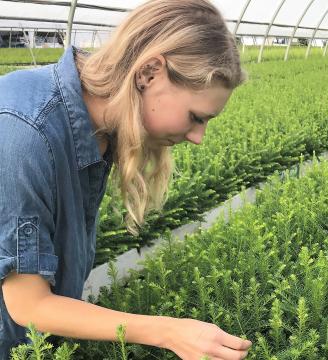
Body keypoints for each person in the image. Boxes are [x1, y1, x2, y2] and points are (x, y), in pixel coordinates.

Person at [0, 0, 251, 359]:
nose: (198, 137)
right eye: (196, 117)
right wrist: (169, 331)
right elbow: (29, 305)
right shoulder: (25, 132)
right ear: (149, 72)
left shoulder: (99, 128)